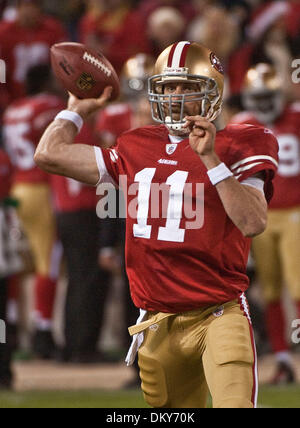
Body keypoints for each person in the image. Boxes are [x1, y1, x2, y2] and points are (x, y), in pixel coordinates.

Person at [35, 41, 279, 408]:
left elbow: (252, 222)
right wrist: (74, 111)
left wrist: (211, 159)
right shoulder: (136, 144)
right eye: (167, 87)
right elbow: (49, 154)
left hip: (218, 313)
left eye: (187, 86)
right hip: (156, 321)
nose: (175, 96)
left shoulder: (242, 142)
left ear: (211, 90)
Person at [231, 63, 300, 384]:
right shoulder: (241, 126)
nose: (262, 103)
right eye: (257, 96)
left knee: (298, 287)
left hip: (295, 212)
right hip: (260, 216)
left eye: (267, 96)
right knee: (270, 290)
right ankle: (284, 360)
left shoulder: (296, 117)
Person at [3, 64, 65, 359]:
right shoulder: (50, 106)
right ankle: (43, 329)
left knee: (14, 263)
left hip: (16, 188)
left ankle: (12, 324)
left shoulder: (14, 108)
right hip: (41, 188)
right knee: (47, 261)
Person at [0, 0, 67, 115]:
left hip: (46, 96)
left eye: (33, 7)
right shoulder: (4, 33)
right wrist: (4, 98)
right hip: (14, 96)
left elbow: (63, 63)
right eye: (25, 6)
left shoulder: (53, 30)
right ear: (18, 9)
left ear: (40, 10)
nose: (29, 11)